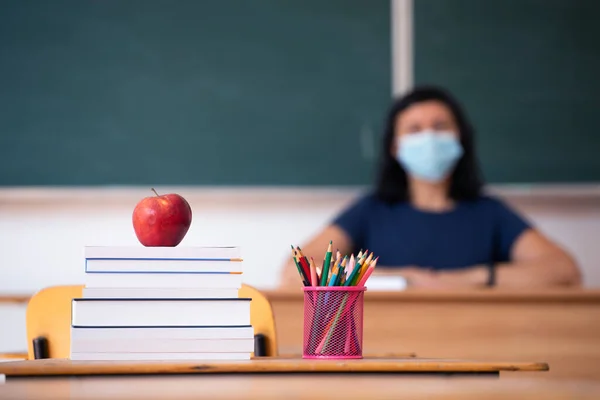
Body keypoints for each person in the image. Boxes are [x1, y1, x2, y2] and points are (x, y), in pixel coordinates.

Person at [280, 85, 581, 289]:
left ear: (460, 138)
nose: (429, 138)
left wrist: (473, 277)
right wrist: (403, 278)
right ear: (396, 147)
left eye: (440, 127)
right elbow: (296, 272)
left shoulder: (489, 213)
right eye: (414, 129)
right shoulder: (371, 210)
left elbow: (563, 270)